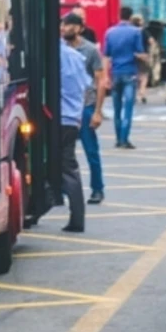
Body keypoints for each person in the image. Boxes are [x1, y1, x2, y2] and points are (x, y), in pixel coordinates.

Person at [64, 12, 106, 204]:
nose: (67, 28)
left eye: (72, 25)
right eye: (64, 25)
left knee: (91, 152)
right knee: (64, 153)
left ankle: (97, 189)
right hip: (65, 109)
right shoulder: (60, 49)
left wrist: (97, 112)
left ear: (80, 29)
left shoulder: (90, 51)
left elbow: (100, 81)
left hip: (85, 108)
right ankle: (64, 189)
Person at [58, 30, 92, 232]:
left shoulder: (52, 57)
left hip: (57, 119)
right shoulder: (76, 56)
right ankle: (77, 217)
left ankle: (76, 219)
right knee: (70, 167)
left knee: (65, 167)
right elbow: (87, 85)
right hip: (73, 118)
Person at [103, 6, 149, 149]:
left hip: (116, 73)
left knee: (117, 109)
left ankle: (118, 139)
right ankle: (124, 139)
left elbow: (106, 56)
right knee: (128, 108)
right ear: (130, 17)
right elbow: (140, 53)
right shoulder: (136, 32)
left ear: (119, 15)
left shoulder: (110, 32)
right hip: (130, 73)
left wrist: (106, 76)